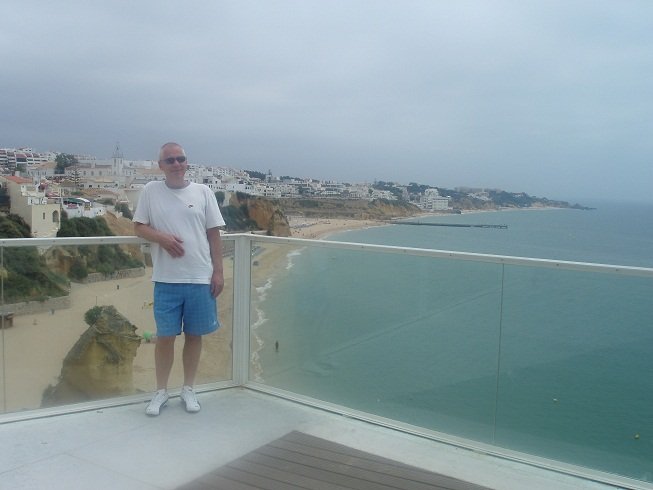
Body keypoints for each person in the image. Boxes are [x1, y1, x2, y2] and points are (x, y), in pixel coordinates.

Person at [133, 142, 225, 416]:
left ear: (187, 162)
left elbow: (214, 234)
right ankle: (161, 391)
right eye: (170, 160)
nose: (176, 164)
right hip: (166, 279)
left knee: (194, 336)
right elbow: (138, 227)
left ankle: (188, 389)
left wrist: (218, 272)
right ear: (161, 165)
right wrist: (161, 237)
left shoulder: (203, 192)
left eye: (180, 159)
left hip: (200, 277)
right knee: (165, 338)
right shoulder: (151, 191)